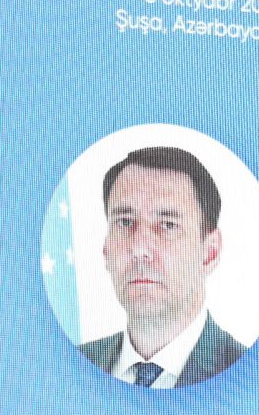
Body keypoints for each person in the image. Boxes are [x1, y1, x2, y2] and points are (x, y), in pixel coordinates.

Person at [78, 146, 247, 388]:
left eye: (167, 225)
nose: (139, 249)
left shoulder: (252, 373)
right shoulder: (68, 365)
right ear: (105, 249)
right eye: (125, 222)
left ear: (209, 253)